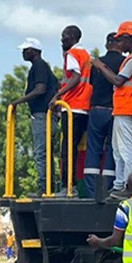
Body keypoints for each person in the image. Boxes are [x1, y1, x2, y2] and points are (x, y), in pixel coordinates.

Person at [90, 21, 132, 201]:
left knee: (126, 149)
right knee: (118, 150)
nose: (119, 44)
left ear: (128, 38)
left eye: (121, 40)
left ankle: (128, 185)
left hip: (127, 108)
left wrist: (100, 66)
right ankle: (119, 184)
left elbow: (118, 81)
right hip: (122, 108)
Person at [11, 38, 59, 192]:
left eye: (27, 50)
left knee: (41, 152)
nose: (24, 53)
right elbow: (57, 84)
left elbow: (40, 89)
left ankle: (44, 188)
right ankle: (48, 186)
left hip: (42, 115)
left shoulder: (39, 66)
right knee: (44, 152)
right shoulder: (42, 67)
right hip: (44, 114)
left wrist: (17, 102)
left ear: (35, 51)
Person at [52, 25, 93, 197]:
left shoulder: (72, 55)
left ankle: (69, 186)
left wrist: (58, 95)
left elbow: (75, 77)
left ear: (72, 37)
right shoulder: (86, 55)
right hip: (84, 106)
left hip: (72, 106)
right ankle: (72, 184)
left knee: (67, 149)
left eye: (64, 36)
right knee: (76, 147)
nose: (62, 39)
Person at [84, 32, 126, 199]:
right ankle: (108, 187)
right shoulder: (125, 63)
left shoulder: (97, 63)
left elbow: (91, 83)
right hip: (116, 110)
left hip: (97, 110)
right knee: (112, 149)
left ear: (108, 43)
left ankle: (91, 191)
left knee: (93, 148)